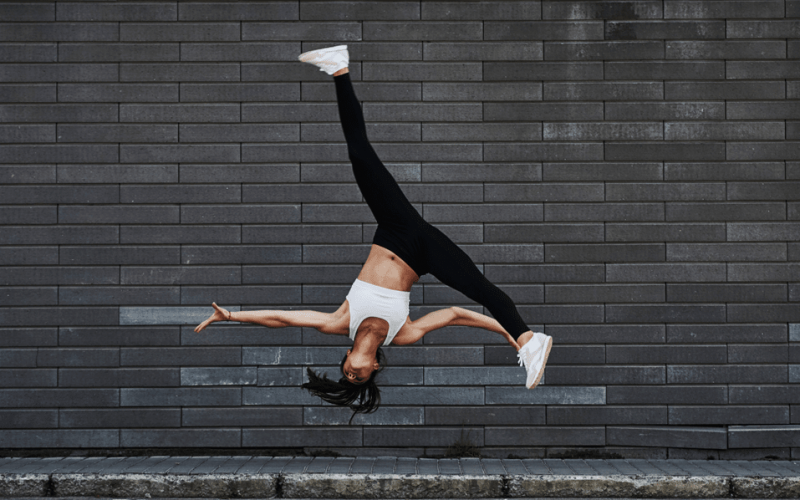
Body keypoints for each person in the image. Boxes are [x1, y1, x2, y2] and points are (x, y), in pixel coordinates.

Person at [195, 45, 553, 422]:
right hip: (425, 252)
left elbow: (283, 318)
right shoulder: (404, 334)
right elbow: (455, 315)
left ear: (347, 356)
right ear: (375, 369)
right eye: (358, 380)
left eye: (346, 373)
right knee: (482, 291)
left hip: (395, 230)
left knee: (360, 155)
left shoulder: (340, 322)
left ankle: (338, 68)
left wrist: (233, 316)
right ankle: (529, 342)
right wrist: (507, 333)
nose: (350, 375)